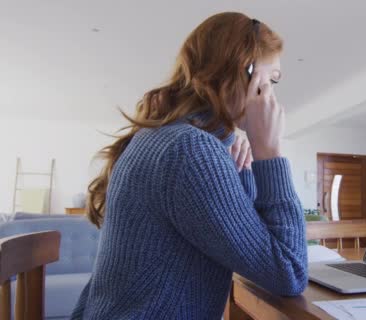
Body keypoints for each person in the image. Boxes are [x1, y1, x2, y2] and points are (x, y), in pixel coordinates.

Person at [71, 12, 307, 319]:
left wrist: (246, 163)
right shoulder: (191, 151)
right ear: (244, 72)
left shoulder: (170, 138)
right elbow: (289, 271)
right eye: (271, 80)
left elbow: (248, 243)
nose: (273, 96)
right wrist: (271, 153)